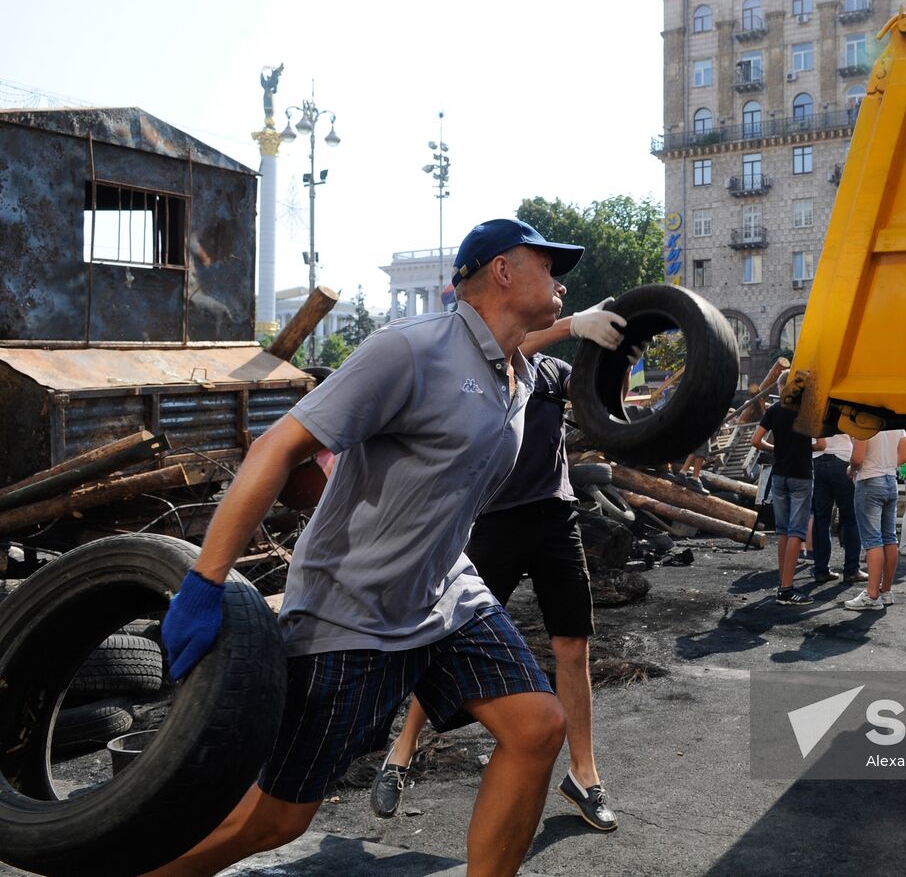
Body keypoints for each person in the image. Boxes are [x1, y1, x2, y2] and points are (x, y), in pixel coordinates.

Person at [147, 218, 626, 877]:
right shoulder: (409, 350)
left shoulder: (518, 371)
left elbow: (601, 399)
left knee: (539, 726)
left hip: (445, 595)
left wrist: (606, 344)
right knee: (276, 821)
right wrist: (205, 581)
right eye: (548, 263)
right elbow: (278, 447)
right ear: (502, 271)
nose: (561, 279)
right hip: (351, 610)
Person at [371, 307, 626, 831]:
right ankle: (402, 750)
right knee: (448, 637)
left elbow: (603, 408)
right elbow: (520, 344)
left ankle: (584, 775)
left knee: (573, 647)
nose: (556, 295)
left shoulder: (555, 374)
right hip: (494, 521)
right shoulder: (494, 361)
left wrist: (620, 357)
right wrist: (576, 323)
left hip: (556, 518)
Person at [752, 376, 824, 605]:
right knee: (796, 531)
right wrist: (805, 446)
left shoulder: (773, 410)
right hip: (801, 474)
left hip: (779, 473)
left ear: (781, 388)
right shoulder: (808, 411)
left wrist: (776, 448)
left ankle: (783, 581)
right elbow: (822, 445)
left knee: (783, 530)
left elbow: (756, 441)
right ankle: (787, 588)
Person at [844, 429, 906, 611]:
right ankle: (885, 591)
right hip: (890, 480)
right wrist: (886, 465)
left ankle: (872, 595)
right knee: (889, 538)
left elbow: (857, 458)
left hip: (869, 480)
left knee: (873, 540)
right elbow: (903, 456)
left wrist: (851, 470)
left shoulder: (865, 423)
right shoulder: (896, 424)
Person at [810, 432, 865, 583]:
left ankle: (821, 569)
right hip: (842, 459)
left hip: (817, 460)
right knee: (850, 517)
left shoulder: (813, 408)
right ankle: (852, 570)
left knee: (821, 519)